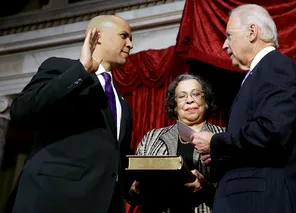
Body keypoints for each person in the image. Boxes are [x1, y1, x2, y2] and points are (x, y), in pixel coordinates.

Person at [8, 15, 134, 213]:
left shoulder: (123, 101)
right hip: (54, 198)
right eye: (124, 36)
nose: (130, 44)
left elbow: (116, 154)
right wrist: (81, 70)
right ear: (98, 36)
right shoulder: (62, 68)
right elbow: (22, 110)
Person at [191, 4, 296, 213]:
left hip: (261, 202)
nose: (224, 45)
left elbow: (272, 132)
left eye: (229, 35)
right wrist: (218, 153)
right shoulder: (259, 73)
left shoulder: (275, 66)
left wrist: (216, 141)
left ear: (252, 32)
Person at [126, 74, 225, 213]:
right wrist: (135, 188)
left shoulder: (222, 137)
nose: (190, 100)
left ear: (206, 101)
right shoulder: (151, 137)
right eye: (182, 96)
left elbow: (236, 189)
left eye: (196, 94)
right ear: (174, 106)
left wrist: (206, 188)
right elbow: (131, 195)